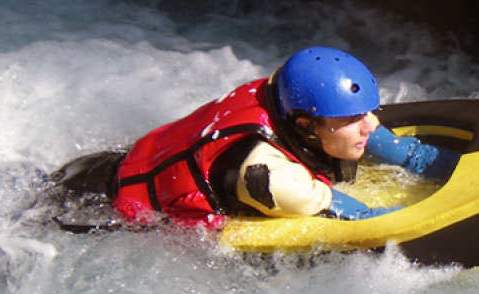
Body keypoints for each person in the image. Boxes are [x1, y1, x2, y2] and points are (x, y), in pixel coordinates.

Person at [103, 47, 457, 230]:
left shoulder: (292, 98)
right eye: (353, 118)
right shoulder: (271, 176)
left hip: (142, 152)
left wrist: (448, 164)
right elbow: (366, 219)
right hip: (117, 205)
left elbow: (392, 146)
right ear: (306, 127)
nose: (370, 125)